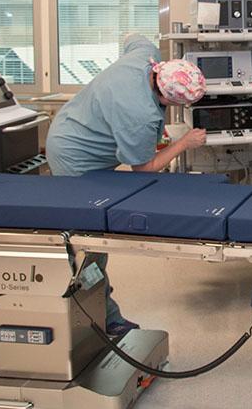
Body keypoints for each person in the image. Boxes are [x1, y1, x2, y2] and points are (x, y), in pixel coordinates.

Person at [46, 33, 208, 334]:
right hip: (74, 155)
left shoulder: (144, 57)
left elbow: (134, 37)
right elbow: (145, 169)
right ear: (167, 98)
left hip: (78, 126)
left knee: (91, 239)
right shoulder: (139, 114)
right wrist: (184, 143)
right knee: (89, 242)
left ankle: (95, 308)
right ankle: (102, 316)